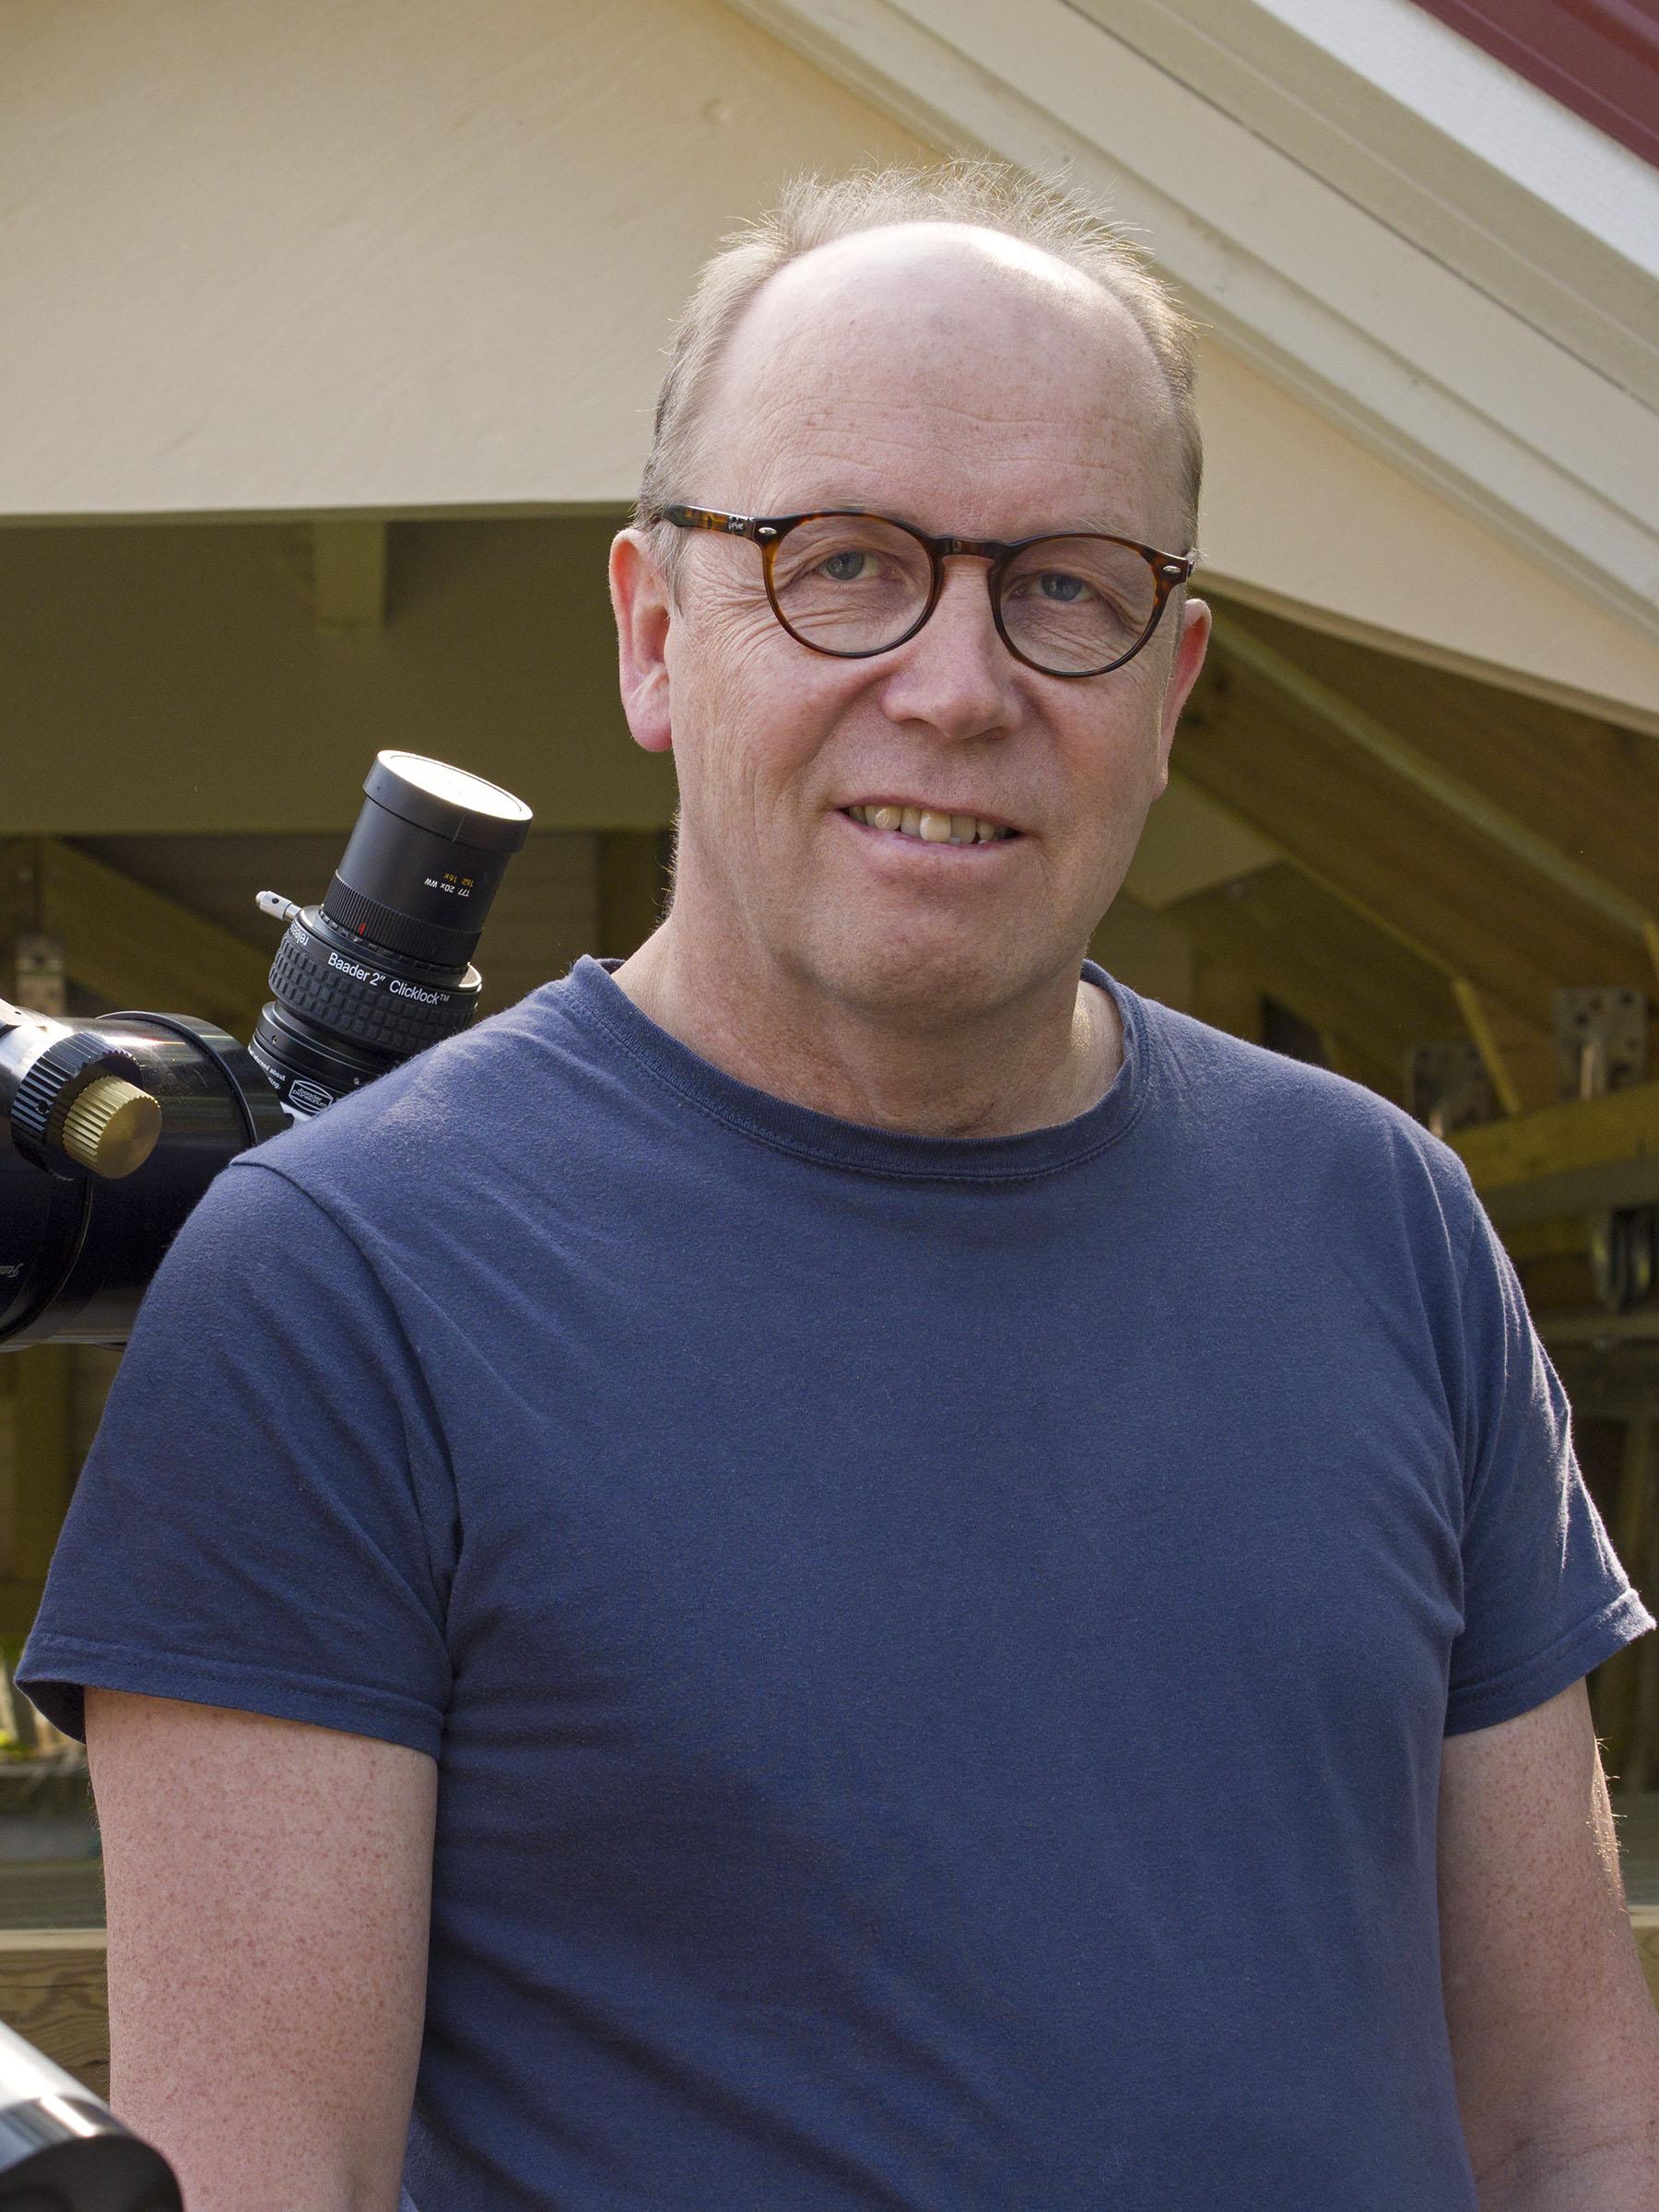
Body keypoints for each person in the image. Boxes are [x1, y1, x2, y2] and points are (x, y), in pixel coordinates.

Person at [19, 161, 1659, 2212]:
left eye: (1065, 586)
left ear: (1169, 687)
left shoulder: (1386, 1225)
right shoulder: (340, 1290)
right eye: (845, 563)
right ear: (652, 636)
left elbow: (1575, 2123)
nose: (959, 687)